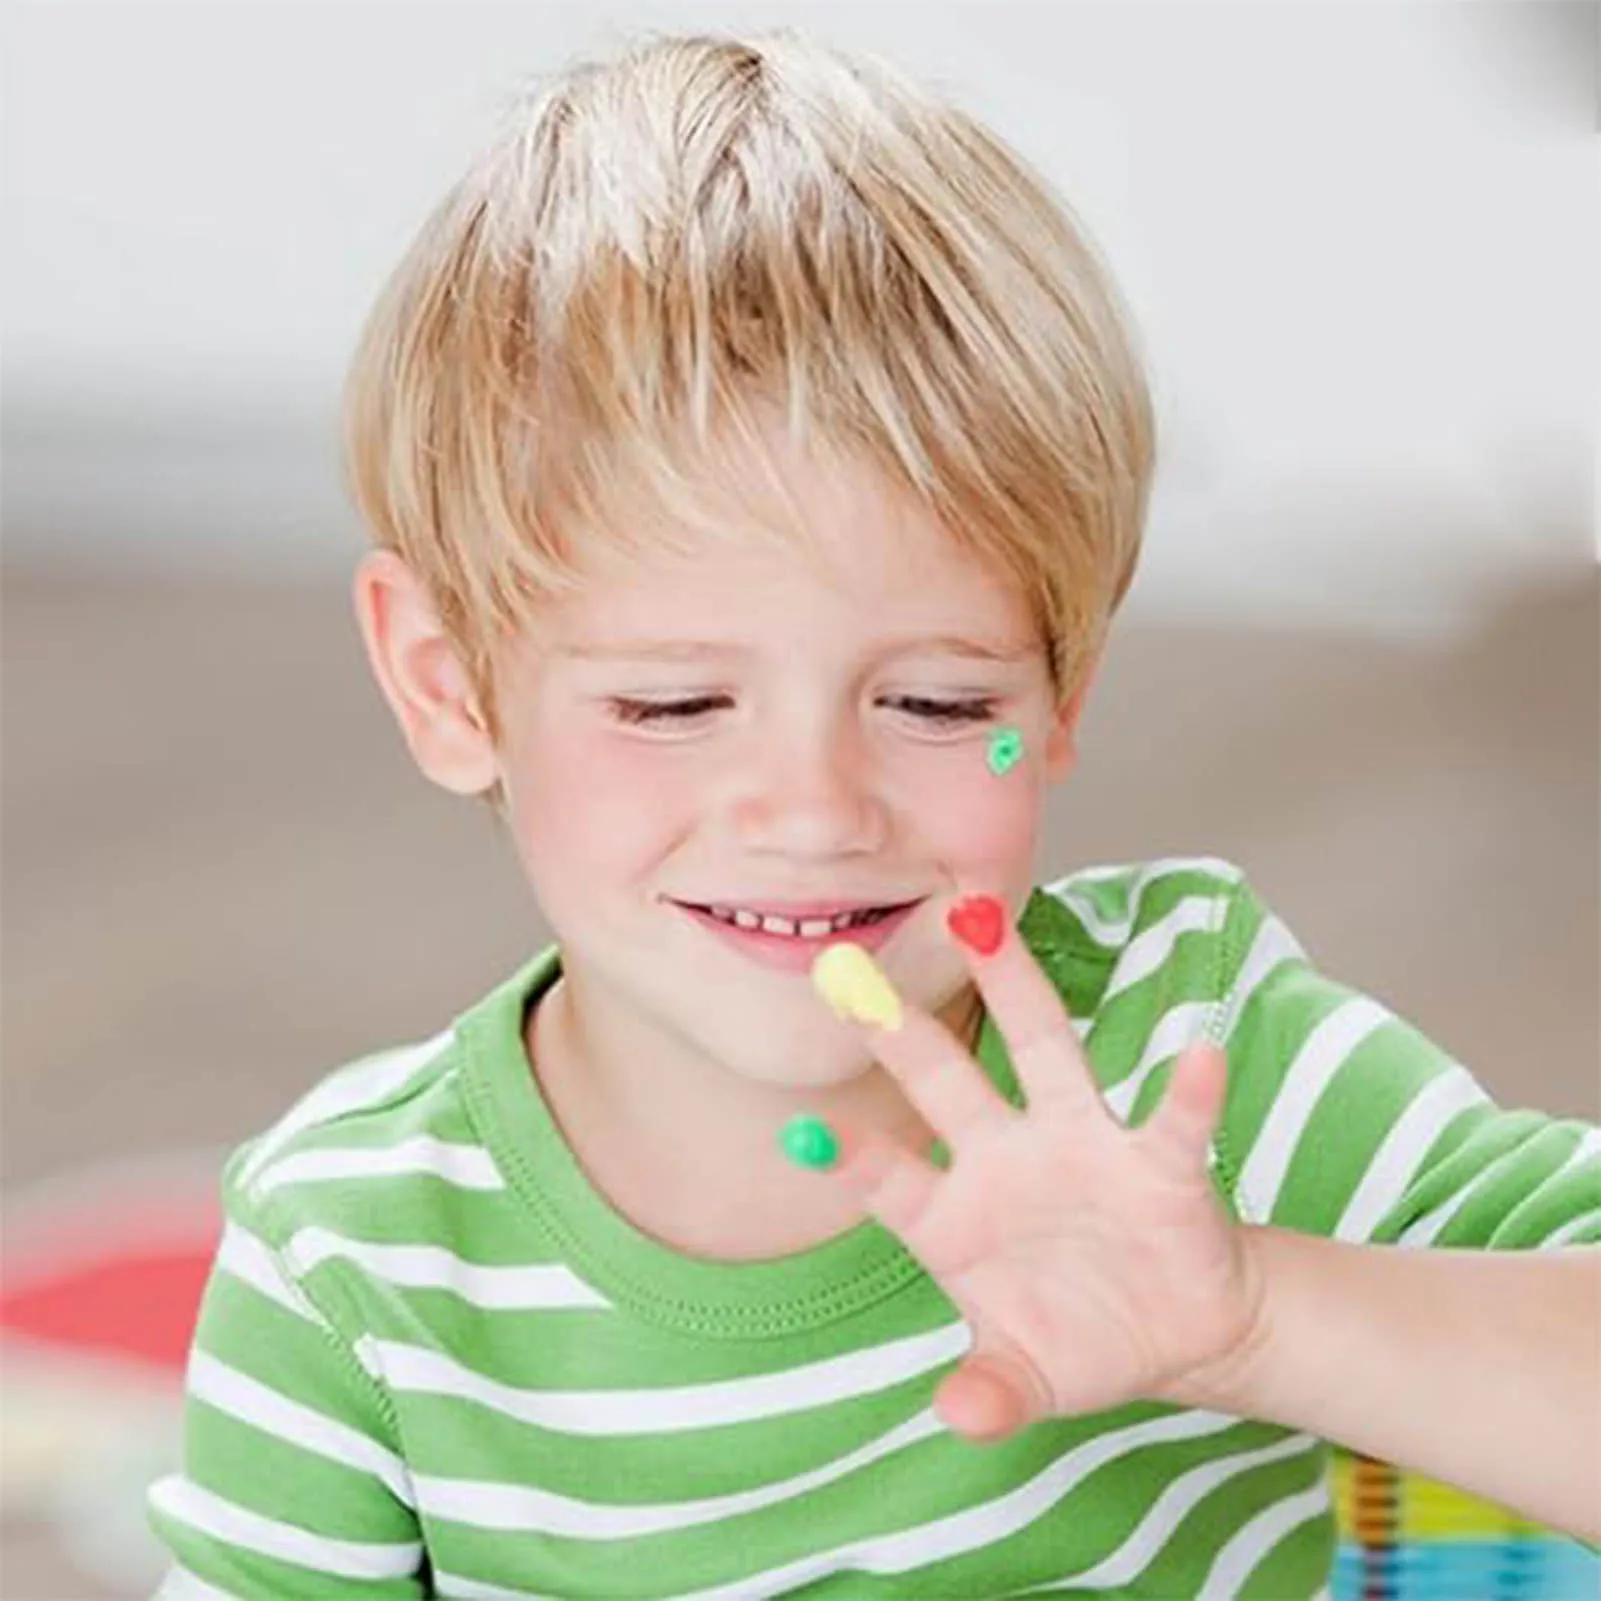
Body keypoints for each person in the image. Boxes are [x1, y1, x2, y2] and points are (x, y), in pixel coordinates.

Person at [147, 29, 1600, 1599]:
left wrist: (1253, 1312)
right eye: (673, 704)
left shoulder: (1194, 1058)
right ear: (447, 687)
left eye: (935, 705)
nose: (813, 812)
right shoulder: (352, 1257)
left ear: (1061, 698)